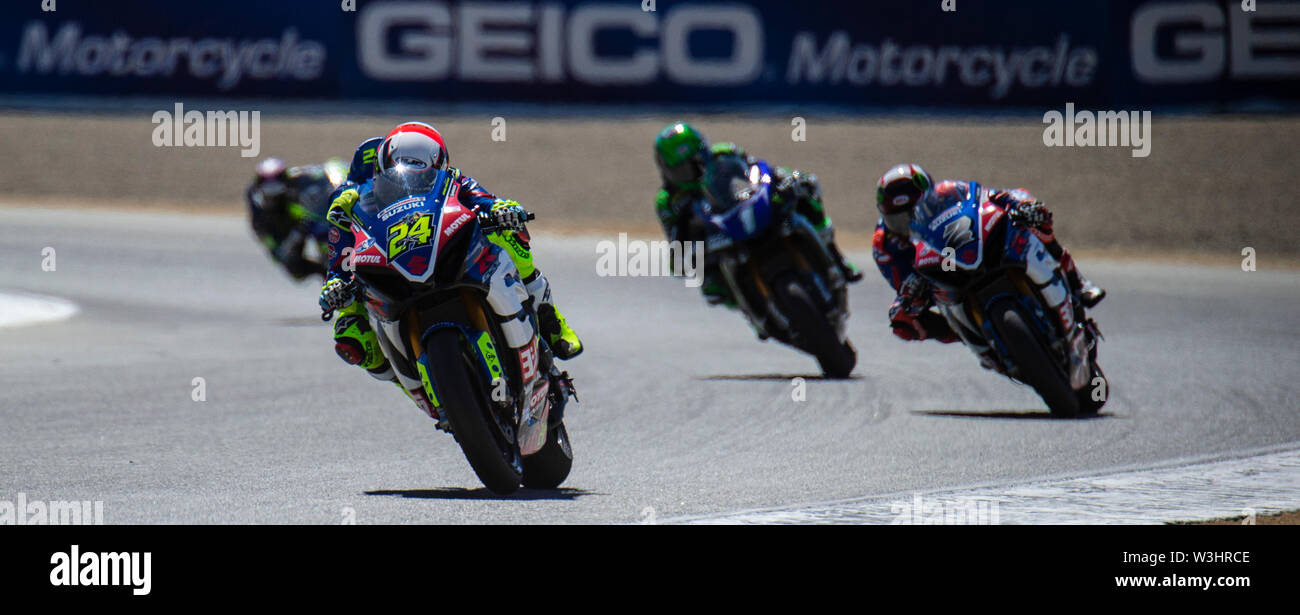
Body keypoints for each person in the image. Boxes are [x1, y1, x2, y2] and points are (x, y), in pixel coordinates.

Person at [317, 122, 582, 414]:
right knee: (349, 335)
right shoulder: (350, 199)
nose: (410, 180)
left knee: (505, 232)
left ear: (438, 165)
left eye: (423, 171)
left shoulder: (451, 181)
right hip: (385, 266)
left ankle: (550, 318)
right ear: (381, 167)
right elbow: (339, 251)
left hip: (441, 246)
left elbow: (482, 198)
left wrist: (500, 209)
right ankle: (419, 392)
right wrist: (337, 282)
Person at [872, 163, 1105, 363]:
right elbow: (902, 286)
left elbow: (987, 196)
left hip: (970, 248)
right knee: (902, 323)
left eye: (912, 215)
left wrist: (1018, 205)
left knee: (1029, 208)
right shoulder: (884, 245)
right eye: (898, 220)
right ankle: (973, 338)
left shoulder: (947, 193)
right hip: (939, 278)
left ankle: (1077, 281)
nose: (908, 225)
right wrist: (909, 295)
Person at [653, 122, 862, 305]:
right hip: (714, 236)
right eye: (681, 170)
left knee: (804, 187)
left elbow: (760, 170)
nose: (692, 174)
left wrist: (785, 180)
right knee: (712, 287)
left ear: (703, 153)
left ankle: (834, 254)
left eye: (696, 164)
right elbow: (675, 246)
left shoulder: (724, 154)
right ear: (666, 171)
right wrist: (688, 254)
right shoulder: (667, 201)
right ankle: (748, 305)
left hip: (743, 208)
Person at [245, 157, 346, 279]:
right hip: (286, 233)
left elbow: (324, 172)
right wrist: (295, 235)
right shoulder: (259, 209)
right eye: (271, 196)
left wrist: (339, 179)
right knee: (293, 265)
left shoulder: (299, 179)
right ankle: (326, 274)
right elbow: (273, 245)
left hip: (314, 222)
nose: (274, 197)